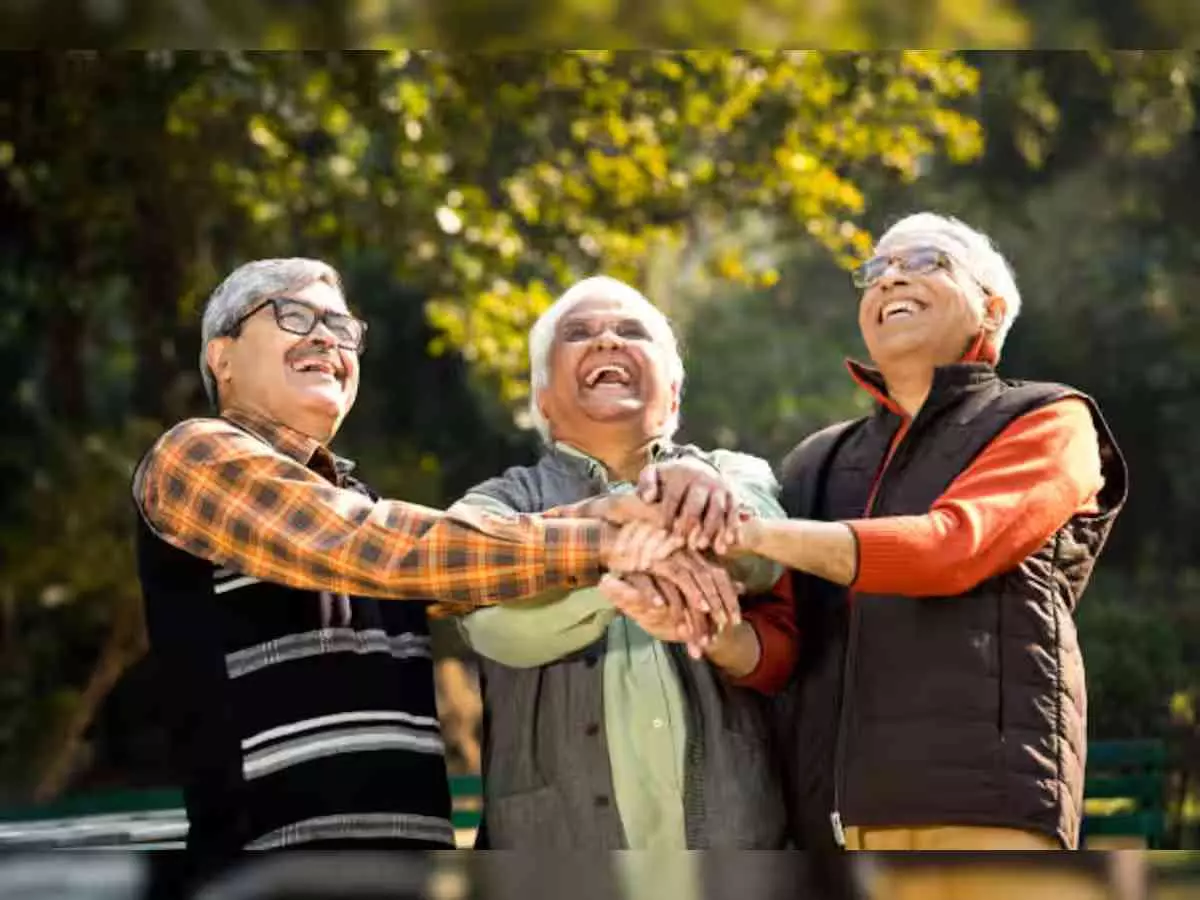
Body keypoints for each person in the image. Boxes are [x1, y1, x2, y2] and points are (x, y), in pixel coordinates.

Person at [131, 258, 722, 862]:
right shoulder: (196, 455)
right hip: (271, 873)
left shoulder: (361, 505)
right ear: (221, 359)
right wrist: (608, 542)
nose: (325, 338)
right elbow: (384, 547)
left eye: (340, 326)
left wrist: (617, 514)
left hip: (408, 867)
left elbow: (458, 557)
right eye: (294, 314)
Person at [727, 212, 1128, 860]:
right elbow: (778, 649)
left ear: (991, 310)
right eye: (876, 270)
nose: (889, 281)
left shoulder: (1047, 420)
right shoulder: (815, 461)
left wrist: (755, 533)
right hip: (822, 821)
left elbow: (951, 548)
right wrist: (712, 629)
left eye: (926, 262)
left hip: (982, 807)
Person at [454, 276, 796, 850]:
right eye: (580, 333)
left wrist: (701, 492)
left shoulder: (735, 472)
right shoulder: (494, 506)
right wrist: (626, 564)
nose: (608, 340)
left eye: (631, 331)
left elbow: (764, 549)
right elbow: (494, 626)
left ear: (675, 393)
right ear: (542, 396)